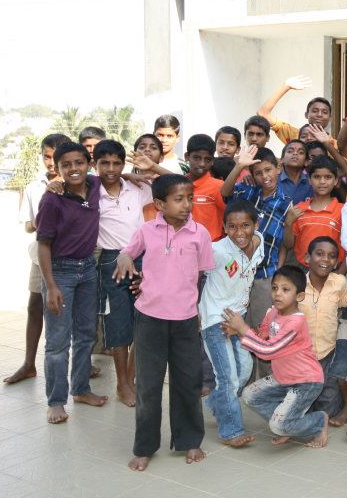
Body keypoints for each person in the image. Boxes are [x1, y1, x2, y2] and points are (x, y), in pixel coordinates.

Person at [114, 173, 215, 471]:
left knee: (187, 383)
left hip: (185, 320)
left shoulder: (200, 234)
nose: (187, 205)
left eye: (190, 198)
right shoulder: (147, 231)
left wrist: (195, 311)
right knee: (148, 385)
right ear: (159, 203)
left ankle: (189, 440)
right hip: (149, 319)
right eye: (178, 199)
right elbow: (127, 253)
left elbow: (201, 276)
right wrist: (123, 258)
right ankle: (145, 446)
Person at [35, 141, 108, 424]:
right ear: (58, 168)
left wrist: (133, 176)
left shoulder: (94, 185)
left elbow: (112, 175)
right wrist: (51, 285)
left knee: (86, 334)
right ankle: (55, 401)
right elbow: (43, 245)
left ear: (88, 163)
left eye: (78, 163)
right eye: (66, 165)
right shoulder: (52, 199)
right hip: (61, 272)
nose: (73, 169)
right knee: (57, 341)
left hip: (88, 269)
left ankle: (81, 389)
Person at [222, 266, 330, 448]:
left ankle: (318, 421)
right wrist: (239, 332)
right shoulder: (273, 311)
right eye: (274, 288)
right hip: (284, 378)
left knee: (277, 425)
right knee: (249, 395)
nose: (278, 293)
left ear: (299, 296)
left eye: (285, 289)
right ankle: (289, 426)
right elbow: (261, 335)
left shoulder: (296, 322)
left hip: (306, 381)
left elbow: (267, 351)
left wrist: (242, 328)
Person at [4, 132, 71, 385]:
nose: (51, 163)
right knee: (35, 307)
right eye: (47, 157)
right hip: (41, 257)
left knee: (72, 311)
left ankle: (81, 366)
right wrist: (44, 219)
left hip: (71, 257)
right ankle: (29, 363)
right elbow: (29, 227)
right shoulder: (34, 187)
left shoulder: (80, 184)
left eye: (56, 157)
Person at [93, 139, 153, 407]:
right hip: (112, 260)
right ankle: (122, 383)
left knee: (144, 319)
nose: (111, 168)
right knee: (119, 321)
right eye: (104, 163)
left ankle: (131, 378)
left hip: (141, 257)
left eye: (117, 163)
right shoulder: (90, 192)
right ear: (95, 165)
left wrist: (139, 171)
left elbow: (176, 181)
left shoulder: (137, 188)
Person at [200, 200, 264, 448]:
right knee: (228, 379)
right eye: (232, 227)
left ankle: (215, 403)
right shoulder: (216, 251)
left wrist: (239, 322)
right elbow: (190, 271)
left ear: (255, 225)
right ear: (224, 227)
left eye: (245, 225)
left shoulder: (259, 243)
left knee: (245, 370)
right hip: (216, 319)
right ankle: (231, 431)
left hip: (238, 319)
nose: (240, 233)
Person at [221, 145, 294, 332]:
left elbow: (284, 244)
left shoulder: (286, 204)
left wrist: (278, 271)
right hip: (236, 272)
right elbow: (225, 192)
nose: (265, 176)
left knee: (264, 328)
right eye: (258, 173)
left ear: (278, 167)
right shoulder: (247, 192)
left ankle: (261, 361)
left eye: (268, 170)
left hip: (264, 275)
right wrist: (239, 167)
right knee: (233, 325)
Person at [298, 237, 347, 425]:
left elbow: (343, 297)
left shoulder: (339, 281)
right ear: (307, 258)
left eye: (331, 256)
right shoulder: (297, 283)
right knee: (301, 400)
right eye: (319, 254)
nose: (325, 260)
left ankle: (332, 409)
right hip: (303, 354)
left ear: (337, 262)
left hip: (328, 352)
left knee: (327, 403)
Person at [284, 155, 345, 271]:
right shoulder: (299, 209)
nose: (322, 182)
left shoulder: (342, 210)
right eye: (317, 177)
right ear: (309, 180)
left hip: (331, 269)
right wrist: (288, 224)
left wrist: (339, 276)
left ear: (336, 180)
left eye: (328, 177)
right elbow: (288, 245)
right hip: (301, 269)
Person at [257, 75, 335, 145]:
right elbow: (263, 113)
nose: (319, 115)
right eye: (315, 111)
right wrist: (286, 86)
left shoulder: (335, 145)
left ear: (330, 117)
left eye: (324, 112)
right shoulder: (294, 134)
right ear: (306, 115)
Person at [184, 134, 226, 242]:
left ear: (212, 161)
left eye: (207, 159)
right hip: (183, 246)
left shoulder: (219, 186)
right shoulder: (178, 185)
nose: (202, 164)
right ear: (187, 157)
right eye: (197, 158)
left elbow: (230, 216)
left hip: (211, 246)